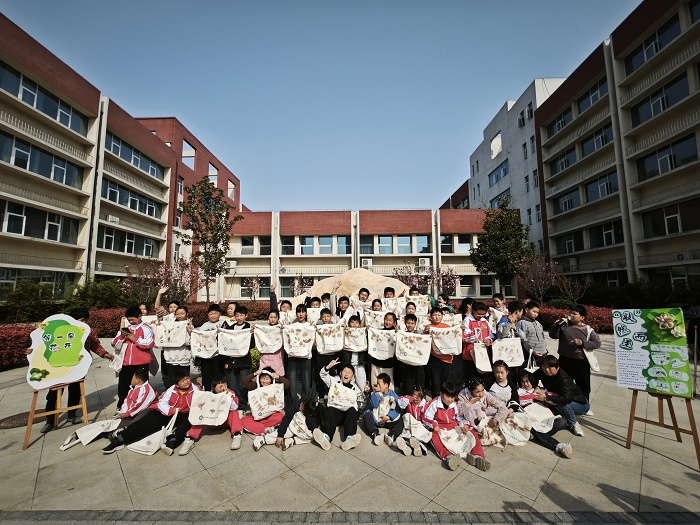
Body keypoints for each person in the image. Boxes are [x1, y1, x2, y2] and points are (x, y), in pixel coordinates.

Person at [35, 308, 114, 432]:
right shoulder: (61, 329)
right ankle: (50, 420)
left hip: (79, 366)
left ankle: (72, 415)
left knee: (75, 391)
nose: (84, 323)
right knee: (54, 392)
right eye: (81, 320)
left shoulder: (89, 331)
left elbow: (95, 344)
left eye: (86, 320)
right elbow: (44, 343)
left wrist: (104, 354)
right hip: (60, 366)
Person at [103, 369, 199, 455]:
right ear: (177, 385)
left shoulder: (195, 390)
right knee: (150, 419)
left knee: (185, 424)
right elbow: (162, 403)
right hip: (170, 413)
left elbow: (200, 403)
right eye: (183, 380)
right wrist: (170, 410)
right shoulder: (172, 390)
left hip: (185, 414)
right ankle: (122, 438)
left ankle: (172, 442)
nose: (186, 382)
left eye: (187, 378)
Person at [423, 381, 490, 471]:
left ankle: (477, 455)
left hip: (453, 427)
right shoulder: (434, 404)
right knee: (434, 437)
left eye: (452, 397)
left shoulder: (454, 404)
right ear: (441, 394)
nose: (450, 400)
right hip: (440, 429)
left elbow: (459, 417)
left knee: (472, 433)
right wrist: (434, 425)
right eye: (448, 396)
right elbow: (425, 417)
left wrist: (464, 424)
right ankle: (448, 457)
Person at [548, 305, 600, 401]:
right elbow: (553, 335)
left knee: (584, 386)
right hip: (564, 360)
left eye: (574, 314)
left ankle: (584, 404)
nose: (571, 315)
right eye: (570, 313)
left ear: (582, 317)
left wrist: (582, 343)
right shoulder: (564, 326)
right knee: (564, 383)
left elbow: (597, 343)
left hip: (581, 362)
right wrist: (555, 326)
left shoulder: (588, 329)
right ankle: (564, 402)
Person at [530, 355, 590, 436]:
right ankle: (564, 415)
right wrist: (536, 387)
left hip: (581, 404)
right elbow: (532, 377)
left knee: (562, 405)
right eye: (544, 367)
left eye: (550, 367)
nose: (547, 370)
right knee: (553, 402)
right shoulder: (542, 371)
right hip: (561, 397)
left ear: (557, 367)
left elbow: (566, 399)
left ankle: (573, 424)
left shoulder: (563, 379)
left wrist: (545, 398)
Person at [180, 377, 243, 454]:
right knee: (201, 413)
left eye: (225, 385)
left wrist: (229, 397)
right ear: (214, 388)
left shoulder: (230, 393)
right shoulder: (209, 394)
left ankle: (237, 434)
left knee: (234, 412)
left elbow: (235, 407)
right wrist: (201, 397)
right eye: (220, 387)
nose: (223, 388)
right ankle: (190, 438)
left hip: (226, 421)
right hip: (212, 421)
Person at [314, 358, 363, 451]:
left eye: (349, 372)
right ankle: (326, 437)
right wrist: (328, 367)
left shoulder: (355, 388)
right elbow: (322, 375)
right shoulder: (334, 381)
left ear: (352, 376)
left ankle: (349, 438)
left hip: (347, 416)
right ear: (341, 373)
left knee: (353, 411)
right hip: (335, 414)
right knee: (330, 410)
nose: (346, 374)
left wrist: (366, 393)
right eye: (344, 371)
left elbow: (361, 402)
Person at [112, 306, 154, 410]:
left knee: (140, 387)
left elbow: (149, 343)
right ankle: (122, 407)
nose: (131, 322)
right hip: (126, 364)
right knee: (123, 387)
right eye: (129, 320)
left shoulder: (146, 329)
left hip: (140, 364)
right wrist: (122, 336)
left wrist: (134, 338)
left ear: (140, 316)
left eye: (132, 319)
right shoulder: (126, 329)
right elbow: (114, 344)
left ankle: (140, 407)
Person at [254, 392, 323, 451]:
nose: (300, 407)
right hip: (293, 425)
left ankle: (292, 441)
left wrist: (308, 418)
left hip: (303, 428)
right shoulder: (297, 405)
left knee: (311, 437)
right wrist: (280, 435)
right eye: (301, 405)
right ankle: (263, 439)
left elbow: (312, 427)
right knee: (287, 433)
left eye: (302, 409)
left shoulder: (314, 412)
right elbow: (287, 418)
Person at [363, 373, 410, 454]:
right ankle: (375, 434)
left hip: (388, 420)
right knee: (366, 415)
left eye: (379, 384)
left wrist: (389, 417)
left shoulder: (393, 395)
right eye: (377, 383)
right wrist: (376, 394)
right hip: (377, 418)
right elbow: (374, 405)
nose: (377, 385)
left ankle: (392, 436)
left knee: (400, 420)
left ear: (386, 385)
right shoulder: (375, 393)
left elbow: (397, 408)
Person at [221, 305, 254, 409]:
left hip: (244, 362)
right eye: (237, 315)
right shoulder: (229, 328)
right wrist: (220, 333)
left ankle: (243, 406)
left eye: (241, 315)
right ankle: (234, 406)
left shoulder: (248, 328)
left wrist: (252, 335)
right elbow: (225, 345)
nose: (239, 318)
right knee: (232, 385)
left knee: (243, 385)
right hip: (231, 362)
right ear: (234, 316)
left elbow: (252, 345)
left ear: (246, 316)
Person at [240, 368, 290, 435]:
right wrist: (255, 374)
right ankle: (265, 429)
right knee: (244, 421)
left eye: (267, 379)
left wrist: (278, 377)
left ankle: (258, 427)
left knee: (280, 417)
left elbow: (287, 384)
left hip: (271, 415)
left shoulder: (275, 386)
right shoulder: (256, 385)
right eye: (262, 378)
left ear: (271, 379)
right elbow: (244, 382)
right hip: (258, 415)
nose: (265, 381)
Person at [193, 304, 226, 392]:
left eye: (216, 313)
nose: (213, 316)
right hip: (206, 357)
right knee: (206, 377)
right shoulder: (204, 326)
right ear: (207, 314)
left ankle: (219, 394)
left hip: (218, 357)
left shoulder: (224, 323)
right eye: (211, 313)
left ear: (220, 314)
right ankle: (207, 394)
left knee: (219, 377)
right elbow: (197, 337)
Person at [424, 308, 455, 397]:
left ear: (442, 316)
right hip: (435, 357)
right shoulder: (428, 327)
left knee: (445, 379)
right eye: (434, 315)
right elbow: (424, 341)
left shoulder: (447, 327)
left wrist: (460, 330)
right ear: (430, 317)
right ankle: (436, 398)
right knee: (435, 380)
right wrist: (426, 331)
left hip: (447, 357)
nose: (437, 317)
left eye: (439, 315)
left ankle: (444, 397)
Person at [160, 305, 192, 390]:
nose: (180, 315)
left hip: (183, 358)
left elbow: (190, 342)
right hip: (171, 358)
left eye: (182, 313)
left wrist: (189, 331)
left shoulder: (189, 325)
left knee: (184, 381)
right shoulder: (168, 325)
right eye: (177, 314)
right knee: (172, 381)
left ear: (186, 314)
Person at [462, 302, 493, 383]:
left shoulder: (485, 321)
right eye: (479, 314)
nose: (481, 316)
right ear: (473, 311)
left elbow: (490, 334)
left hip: (483, 353)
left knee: (483, 377)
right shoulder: (467, 320)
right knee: (471, 377)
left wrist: (488, 340)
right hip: (470, 354)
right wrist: (479, 330)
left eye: (483, 314)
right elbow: (466, 337)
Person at [286, 304, 313, 401]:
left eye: (303, 311)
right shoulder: (291, 326)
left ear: (306, 313)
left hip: (306, 357)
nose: (301, 314)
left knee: (306, 383)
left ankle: (305, 405)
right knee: (292, 384)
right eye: (298, 312)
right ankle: (293, 405)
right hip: (292, 357)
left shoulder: (310, 326)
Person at [397, 385, 428, 457]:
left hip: (420, 426)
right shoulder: (408, 400)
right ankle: (407, 446)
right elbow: (399, 402)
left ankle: (419, 447)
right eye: (414, 395)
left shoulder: (426, 405)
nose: (415, 398)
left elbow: (426, 419)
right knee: (407, 433)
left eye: (418, 397)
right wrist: (408, 400)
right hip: (410, 425)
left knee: (422, 435)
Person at [370, 312, 397, 387]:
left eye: (390, 320)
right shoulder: (378, 332)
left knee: (388, 384)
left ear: (394, 322)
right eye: (386, 320)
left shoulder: (396, 333)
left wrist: (397, 332)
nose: (387, 322)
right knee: (375, 384)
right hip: (376, 362)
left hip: (388, 363)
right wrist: (369, 330)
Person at [520, 301, 548, 367]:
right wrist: (532, 352)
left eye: (537, 312)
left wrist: (545, 350)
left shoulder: (538, 323)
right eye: (534, 311)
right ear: (526, 310)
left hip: (543, 353)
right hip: (531, 355)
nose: (536, 314)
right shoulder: (522, 323)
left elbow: (542, 338)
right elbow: (523, 340)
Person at [259, 309, 285, 376]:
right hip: (265, 355)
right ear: (268, 318)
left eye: (275, 317)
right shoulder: (263, 329)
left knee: (277, 374)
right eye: (271, 317)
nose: (273, 319)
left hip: (277, 355)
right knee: (264, 375)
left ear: (278, 318)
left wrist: (284, 330)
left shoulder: (281, 328)